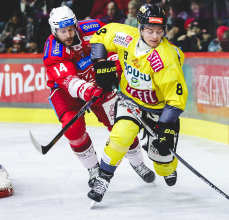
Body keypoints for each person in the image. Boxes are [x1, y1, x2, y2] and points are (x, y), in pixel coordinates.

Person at [43, 6, 155, 188]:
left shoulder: (95, 27)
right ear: (54, 31)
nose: (68, 34)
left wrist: (114, 68)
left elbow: (122, 45)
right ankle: (93, 169)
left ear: (76, 24)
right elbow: (68, 81)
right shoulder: (53, 52)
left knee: (122, 125)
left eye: (71, 29)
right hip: (66, 92)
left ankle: (138, 164)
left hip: (99, 83)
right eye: (62, 31)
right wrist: (89, 90)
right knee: (73, 128)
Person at [88, 4, 188, 203]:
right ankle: (103, 178)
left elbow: (176, 100)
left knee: (162, 160)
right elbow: (99, 37)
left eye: (159, 32)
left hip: (159, 110)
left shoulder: (165, 60)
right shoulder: (125, 36)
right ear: (140, 28)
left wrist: (165, 128)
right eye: (150, 31)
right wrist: (100, 65)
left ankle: (167, 166)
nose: (154, 36)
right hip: (130, 101)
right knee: (120, 136)